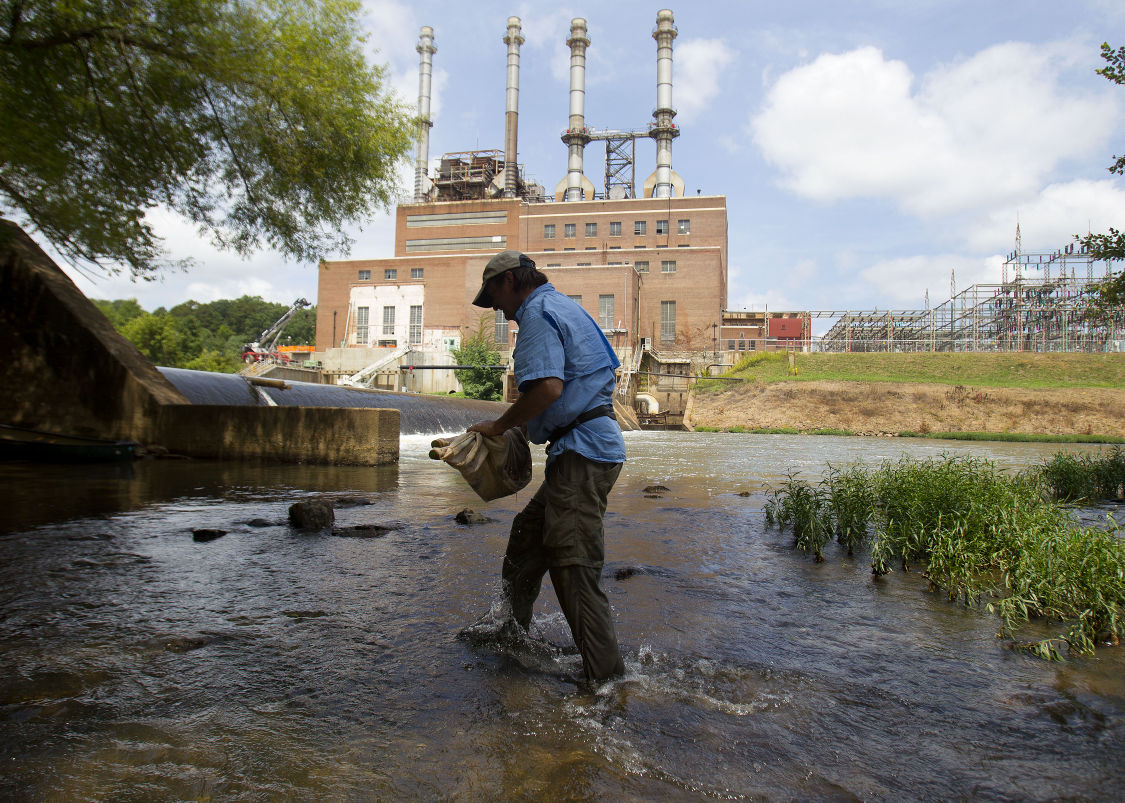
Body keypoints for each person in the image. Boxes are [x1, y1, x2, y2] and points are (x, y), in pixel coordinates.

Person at [467, 250, 627, 683]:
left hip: (582, 452)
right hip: (585, 446)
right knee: (525, 540)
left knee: (572, 564)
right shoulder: (564, 306)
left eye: (494, 295)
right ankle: (512, 634)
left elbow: (550, 389)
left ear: (512, 281)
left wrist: (501, 427)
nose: (496, 307)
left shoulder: (537, 313)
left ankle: (607, 683)